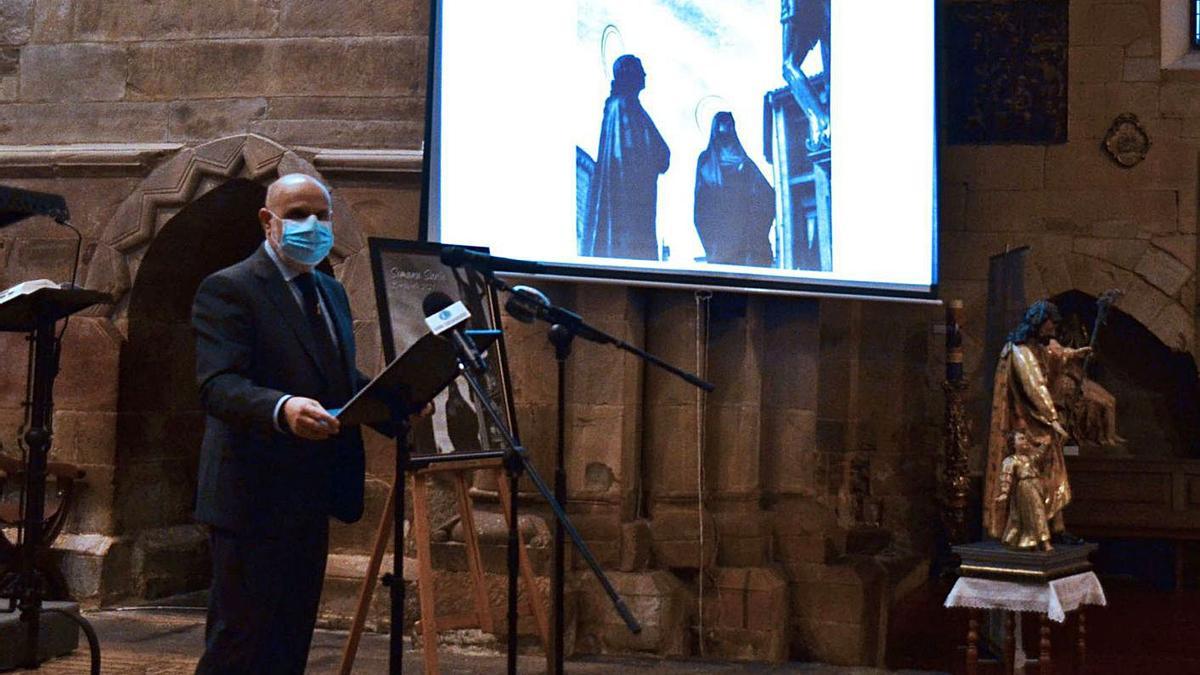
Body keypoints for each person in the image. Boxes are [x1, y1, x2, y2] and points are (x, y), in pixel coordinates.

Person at [190, 173, 368, 673]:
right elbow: (218, 385)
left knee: (289, 644)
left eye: (322, 215)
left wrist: (396, 401)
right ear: (268, 222)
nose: (312, 226)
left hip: (310, 493)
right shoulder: (229, 288)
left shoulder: (330, 291)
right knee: (238, 645)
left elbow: (337, 372)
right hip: (250, 496)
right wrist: (282, 407)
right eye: (297, 215)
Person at [983, 300, 1090, 544]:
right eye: (1049, 327)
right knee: (1034, 481)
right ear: (1038, 324)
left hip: (1042, 424)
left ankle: (1056, 527)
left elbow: (1056, 355)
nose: (1052, 333)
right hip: (1027, 423)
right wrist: (1053, 420)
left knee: (1054, 475)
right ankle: (1034, 531)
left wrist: (1075, 354)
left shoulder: (1036, 347)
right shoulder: (1020, 351)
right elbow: (1034, 387)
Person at [581, 54, 670, 261]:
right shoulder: (624, 107)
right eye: (640, 70)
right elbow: (637, 153)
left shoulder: (629, 107)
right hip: (629, 199)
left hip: (635, 197)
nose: (644, 74)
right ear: (629, 74)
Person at [693, 112, 776, 267]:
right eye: (723, 124)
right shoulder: (706, 160)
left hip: (744, 226)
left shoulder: (744, 161)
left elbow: (766, 193)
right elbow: (701, 202)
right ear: (715, 129)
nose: (727, 128)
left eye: (730, 124)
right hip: (721, 227)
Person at [994, 431, 1053, 551]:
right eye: (1021, 439)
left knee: (1035, 513)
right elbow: (1006, 476)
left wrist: (1045, 444)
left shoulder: (1029, 458)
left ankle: (1032, 541)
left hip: (1036, 485)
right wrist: (1004, 492)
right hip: (1025, 488)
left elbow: (1039, 455)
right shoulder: (1011, 460)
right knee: (1036, 513)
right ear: (1013, 444)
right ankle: (1043, 541)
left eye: (1025, 438)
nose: (1025, 441)